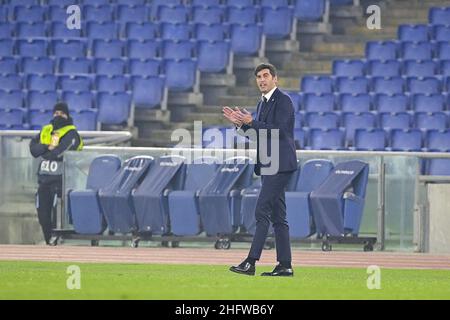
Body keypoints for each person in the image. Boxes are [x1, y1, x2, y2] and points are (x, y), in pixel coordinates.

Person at [223, 63, 297, 276]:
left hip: (280, 165)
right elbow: (259, 134)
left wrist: (252, 121)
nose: (262, 80)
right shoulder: (262, 103)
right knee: (278, 217)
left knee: (261, 210)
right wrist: (241, 125)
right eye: (258, 77)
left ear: (276, 79)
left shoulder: (284, 101)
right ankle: (285, 265)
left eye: (266, 76)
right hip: (268, 164)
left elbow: (280, 132)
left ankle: (251, 261)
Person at [29, 102, 83, 245]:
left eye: (61, 113)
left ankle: (59, 242)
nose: (58, 115)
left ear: (67, 115)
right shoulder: (46, 129)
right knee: (43, 214)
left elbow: (60, 152)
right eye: (56, 113)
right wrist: (48, 146)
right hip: (44, 180)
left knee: (57, 215)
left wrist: (46, 151)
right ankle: (49, 241)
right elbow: (33, 149)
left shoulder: (72, 133)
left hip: (62, 181)